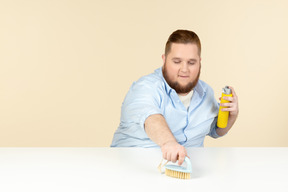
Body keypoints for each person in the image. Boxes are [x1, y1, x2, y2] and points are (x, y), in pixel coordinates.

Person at [111, 29, 239, 165]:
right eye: (177, 61)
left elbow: (215, 130)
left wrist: (232, 116)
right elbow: (151, 118)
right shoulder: (145, 88)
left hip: (187, 173)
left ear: (200, 62)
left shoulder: (206, 92)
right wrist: (169, 143)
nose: (184, 69)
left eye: (191, 62)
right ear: (164, 60)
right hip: (133, 171)